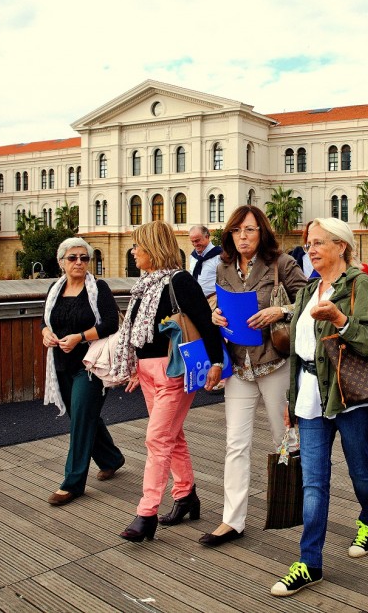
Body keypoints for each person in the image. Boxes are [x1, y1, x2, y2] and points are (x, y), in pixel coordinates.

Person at [270, 218, 368, 597]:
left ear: (342, 246)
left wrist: (340, 319)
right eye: (308, 243)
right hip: (309, 396)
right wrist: (291, 401)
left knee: (360, 471)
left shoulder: (359, 285)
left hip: (349, 396)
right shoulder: (307, 293)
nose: (310, 249)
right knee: (313, 483)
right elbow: (297, 353)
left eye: (319, 242)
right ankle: (310, 562)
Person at [111, 221, 225, 542]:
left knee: (157, 439)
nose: (134, 252)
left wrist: (216, 361)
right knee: (171, 438)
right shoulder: (144, 285)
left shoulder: (180, 281)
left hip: (175, 371)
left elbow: (204, 321)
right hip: (148, 372)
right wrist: (135, 368)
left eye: (138, 247)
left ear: (153, 249)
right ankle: (186, 495)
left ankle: (146, 513)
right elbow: (136, 333)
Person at [200, 206, 308, 547]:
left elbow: (309, 298)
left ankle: (302, 506)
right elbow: (219, 305)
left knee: (286, 440)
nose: (243, 237)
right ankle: (232, 520)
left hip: (274, 362)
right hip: (240, 366)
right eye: (236, 231)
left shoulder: (282, 264)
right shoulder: (222, 267)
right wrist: (215, 315)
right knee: (235, 443)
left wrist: (281, 309)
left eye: (249, 230)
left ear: (262, 232)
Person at [40, 237, 125, 507]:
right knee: (82, 416)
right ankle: (111, 458)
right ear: (61, 262)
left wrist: (79, 337)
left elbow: (111, 324)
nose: (79, 262)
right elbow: (45, 321)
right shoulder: (55, 289)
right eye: (73, 258)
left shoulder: (98, 288)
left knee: (80, 422)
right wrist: (45, 333)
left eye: (84, 258)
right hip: (60, 365)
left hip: (90, 366)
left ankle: (72, 483)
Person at [188, 225, 221, 297]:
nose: (195, 244)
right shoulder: (193, 257)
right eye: (192, 241)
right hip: (195, 300)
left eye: (197, 240)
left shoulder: (219, 257)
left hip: (213, 301)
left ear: (207, 237)